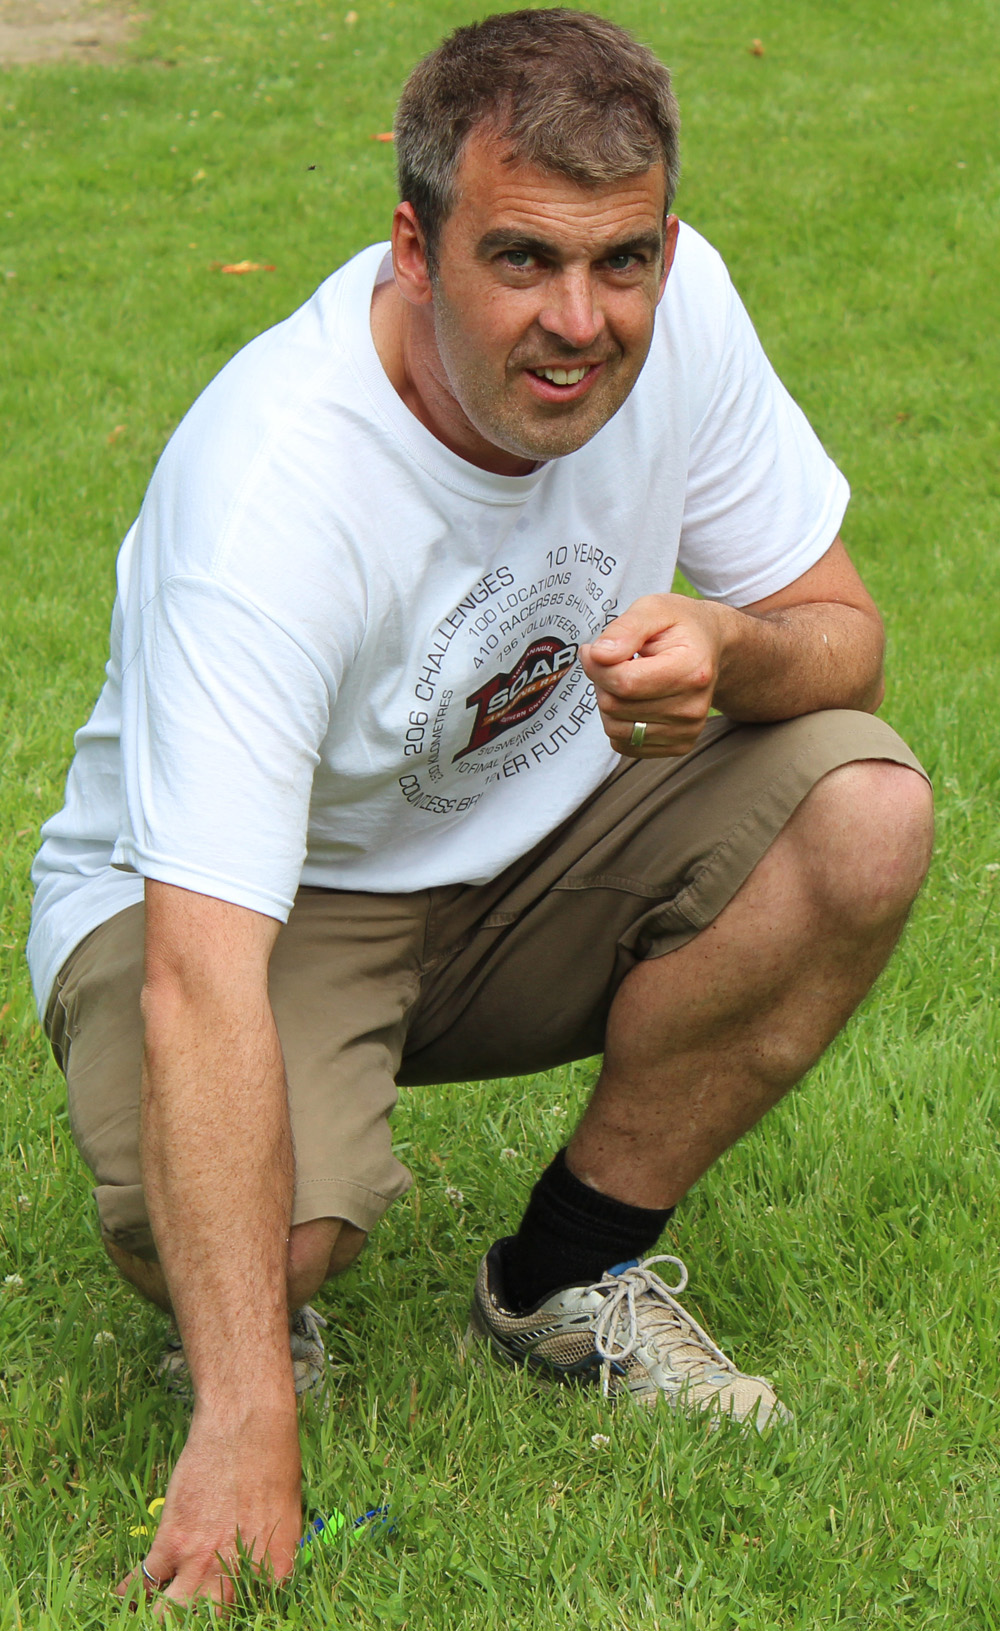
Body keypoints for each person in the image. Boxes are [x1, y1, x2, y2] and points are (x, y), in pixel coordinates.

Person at [27, 7, 932, 1609]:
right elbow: (199, 975)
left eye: (623, 261)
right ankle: (261, 1315)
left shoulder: (685, 314)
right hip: (259, 898)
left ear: (665, 243)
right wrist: (248, 1421)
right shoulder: (274, 492)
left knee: (866, 809)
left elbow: (842, 637)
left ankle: (564, 1280)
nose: (581, 321)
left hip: (536, 849)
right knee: (264, 1255)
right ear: (413, 247)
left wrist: (731, 649)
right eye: (521, 259)